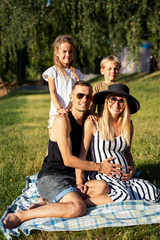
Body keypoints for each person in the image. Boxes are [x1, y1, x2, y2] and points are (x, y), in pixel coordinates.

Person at [3, 81, 123, 229]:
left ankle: (48, 202)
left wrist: (81, 180)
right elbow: (68, 160)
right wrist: (99, 167)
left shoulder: (88, 120)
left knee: (103, 188)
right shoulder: (62, 120)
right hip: (52, 176)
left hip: (72, 178)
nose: (84, 99)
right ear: (71, 98)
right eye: (80, 95)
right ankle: (22, 215)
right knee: (78, 208)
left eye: (88, 96)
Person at [76, 83, 160, 203]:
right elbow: (82, 155)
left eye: (121, 101)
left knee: (153, 193)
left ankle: (119, 197)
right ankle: (81, 204)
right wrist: (79, 181)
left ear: (125, 105)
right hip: (102, 176)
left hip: (124, 179)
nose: (116, 104)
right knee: (123, 196)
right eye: (113, 99)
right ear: (106, 101)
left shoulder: (128, 125)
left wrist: (132, 168)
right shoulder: (93, 122)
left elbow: (127, 153)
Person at [42, 35, 85, 131]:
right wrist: (59, 108)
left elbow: (80, 93)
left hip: (73, 113)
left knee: (72, 141)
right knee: (56, 141)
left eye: (70, 52)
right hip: (57, 113)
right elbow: (52, 92)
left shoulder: (77, 73)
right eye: (64, 52)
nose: (68, 54)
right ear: (57, 53)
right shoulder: (52, 72)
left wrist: (70, 109)